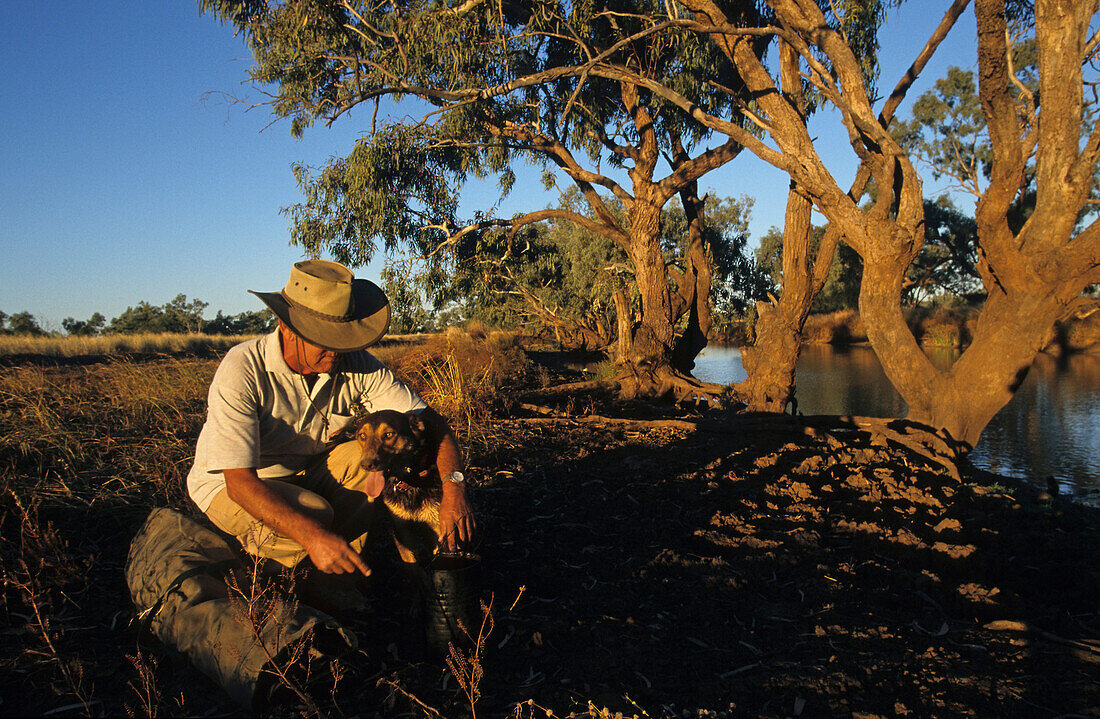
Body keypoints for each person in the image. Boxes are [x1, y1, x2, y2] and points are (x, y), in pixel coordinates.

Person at [186, 260, 475, 589]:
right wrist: (313, 535)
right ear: (286, 328)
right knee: (316, 515)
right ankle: (272, 571)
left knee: (362, 458)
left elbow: (432, 423)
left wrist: (455, 489)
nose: (338, 350)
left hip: (309, 471)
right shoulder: (243, 368)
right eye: (324, 339)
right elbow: (239, 483)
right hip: (234, 487)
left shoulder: (353, 361)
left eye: (343, 338)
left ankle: (340, 569)